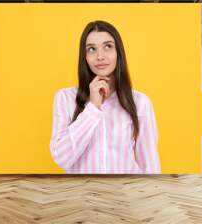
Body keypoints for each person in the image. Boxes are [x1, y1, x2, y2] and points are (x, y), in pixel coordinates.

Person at [50, 20, 161, 174]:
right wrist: (92, 108)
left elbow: (150, 165)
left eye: (108, 46)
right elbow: (62, 158)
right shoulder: (65, 98)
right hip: (81, 195)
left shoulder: (140, 103)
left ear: (118, 53)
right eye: (91, 49)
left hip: (124, 194)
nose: (100, 56)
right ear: (85, 57)